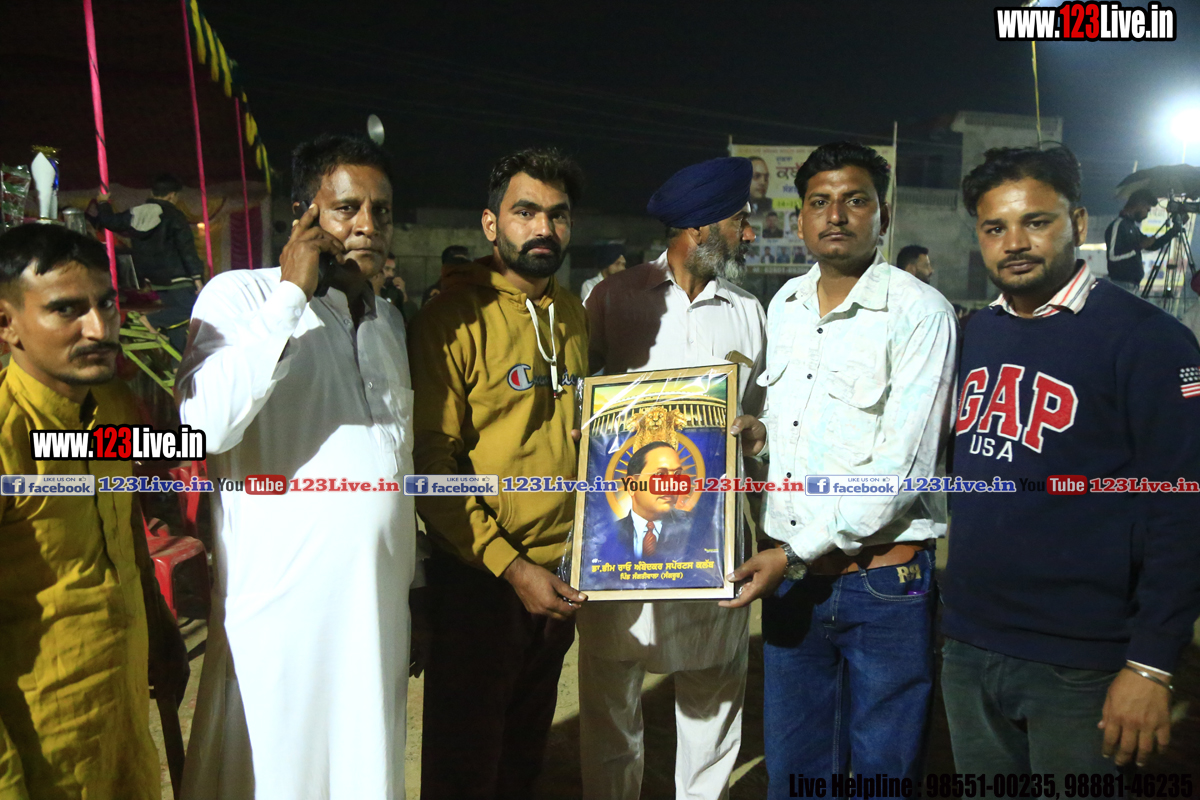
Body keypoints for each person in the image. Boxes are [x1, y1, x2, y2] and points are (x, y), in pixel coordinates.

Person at [942, 145, 1200, 776]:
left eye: (1037, 221)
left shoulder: (1151, 340)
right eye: (995, 228)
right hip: (969, 643)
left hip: (1083, 659)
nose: (1014, 243)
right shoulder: (973, 334)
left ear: (1078, 223)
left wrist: (1151, 662)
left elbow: (1183, 510)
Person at [176, 134, 418, 800]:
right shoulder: (239, 296)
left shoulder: (390, 323)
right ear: (302, 217)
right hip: (279, 624)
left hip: (376, 619)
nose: (367, 225)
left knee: (365, 774)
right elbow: (202, 425)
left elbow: (396, 466)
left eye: (381, 210)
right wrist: (289, 296)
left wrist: (413, 581)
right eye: (346, 208)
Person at [722, 141, 957, 796]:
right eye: (819, 202)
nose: (836, 215)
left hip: (881, 583)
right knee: (797, 770)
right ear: (800, 218)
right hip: (793, 583)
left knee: (882, 774)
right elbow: (795, 428)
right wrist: (759, 438)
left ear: (884, 214)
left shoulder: (920, 312)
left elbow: (903, 470)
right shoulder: (786, 304)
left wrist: (792, 554)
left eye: (855, 200)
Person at [581, 155, 766, 800]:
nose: (748, 235)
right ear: (699, 228)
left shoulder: (748, 311)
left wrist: (757, 432)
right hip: (621, 551)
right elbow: (579, 401)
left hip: (712, 546)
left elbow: (763, 420)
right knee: (611, 706)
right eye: (739, 222)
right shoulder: (613, 299)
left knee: (712, 710)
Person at [409, 147, 588, 800]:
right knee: (464, 771)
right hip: (482, 584)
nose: (544, 228)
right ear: (491, 224)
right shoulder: (451, 319)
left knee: (521, 763)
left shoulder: (572, 314)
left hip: (560, 578)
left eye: (557, 215)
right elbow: (432, 470)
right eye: (526, 212)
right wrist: (512, 569)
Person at [0, 224, 187, 799]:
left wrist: (157, 622)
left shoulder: (112, 407)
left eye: (106, 304)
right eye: (67, 310)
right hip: (42, 758)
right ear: (7, 324)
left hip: (122, 732)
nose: (101, 329)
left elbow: (125, 525)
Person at [91, 173, 205, 353]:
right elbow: (186, 249)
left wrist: (103, 203)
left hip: (152, 276)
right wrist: (197, 278)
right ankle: (151, 320)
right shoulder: (174, 215)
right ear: (172, 195)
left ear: (153, 192)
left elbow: (109, 222)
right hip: (177, 275)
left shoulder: (137, 212)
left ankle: (177, 361)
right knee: (195, 309)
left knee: (175, 321)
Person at [615, 443, 698, 562]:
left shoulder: (697, 528)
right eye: (660, 474)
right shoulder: (605, 534)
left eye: (677, 475)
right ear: (632, 486)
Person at [1103, 188, 1180, 293]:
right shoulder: (1118, 225)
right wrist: (1140, 246)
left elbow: (1152, 245)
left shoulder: (1132, 226)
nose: (1146, 215)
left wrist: (1174, 231)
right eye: (1147, 210)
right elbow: (1113, 256)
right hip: (1121, 285)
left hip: (1132, 286)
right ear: (1139, 205)